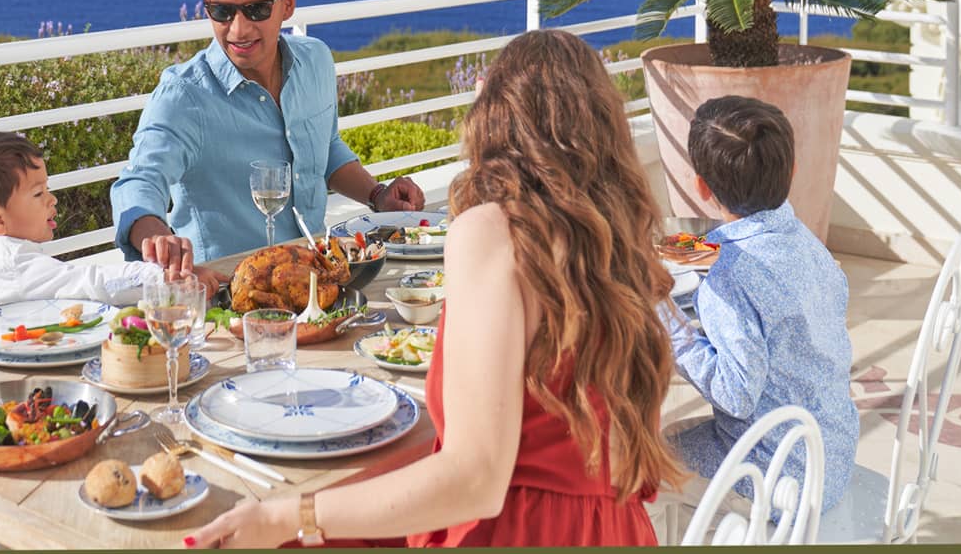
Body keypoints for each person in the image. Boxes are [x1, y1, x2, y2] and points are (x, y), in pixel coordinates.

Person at [189, 30, 684, 549]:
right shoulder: (618, 244)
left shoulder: (496, 233)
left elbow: (474, 479)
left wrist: (289, 517)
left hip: (518, 530)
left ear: (494, 115)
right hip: (614, 528)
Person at [110, 0, 424, 268]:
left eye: (256, 9)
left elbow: (327, 149)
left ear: (287, 4)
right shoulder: (184, 97)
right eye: (222, 11)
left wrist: (378, 195)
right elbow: (139, 180)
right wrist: (155, 235)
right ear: (205, 3)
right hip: (226, 288)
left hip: (316, 275)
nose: (238, 30)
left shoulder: (316, 61)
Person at [660, 95, 857, 512]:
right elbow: (751, 266)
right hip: (828, 458)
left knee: (646, 459)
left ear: (701, 187)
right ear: (792, 171)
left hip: (775, 483)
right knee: (678, 436)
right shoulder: (810, 247)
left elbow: (736, 396)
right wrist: (682, 252)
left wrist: (667, 321)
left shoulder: (729, 275)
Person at [0, 132, 166, 319]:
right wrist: (160, 276)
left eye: (47, 189)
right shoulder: (14, 263)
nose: (52, 200)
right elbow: (93, 284)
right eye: (38, 193)